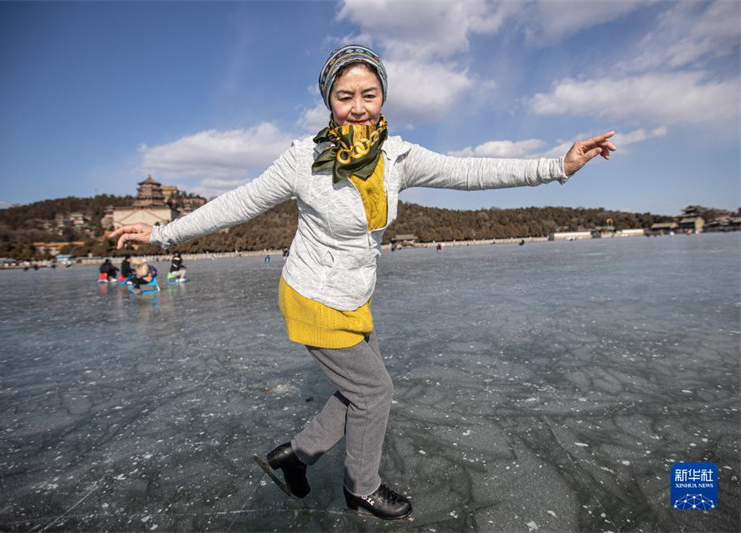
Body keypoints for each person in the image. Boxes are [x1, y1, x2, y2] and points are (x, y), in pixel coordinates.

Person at [110, 44, 616, 520]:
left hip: (354, 295)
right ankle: (361, 487)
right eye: (345, 96)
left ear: (383, 98)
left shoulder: (397, 157)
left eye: (368, 95)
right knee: (375, 392)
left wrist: (558, 166)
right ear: (328, 99)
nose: (358, 107)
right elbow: (236, 204)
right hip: (311, 295)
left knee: (357, 391)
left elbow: (471, 171)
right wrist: (162, 233)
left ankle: (295, 456)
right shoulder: (302, 159)